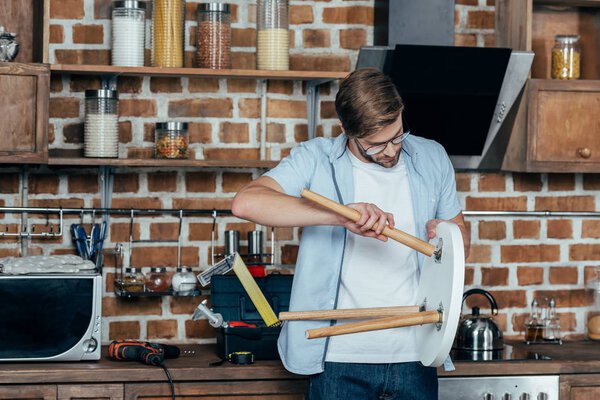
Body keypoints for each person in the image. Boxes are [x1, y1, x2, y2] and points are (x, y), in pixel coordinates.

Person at [231, 68, 470, 400]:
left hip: (417, 354)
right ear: (346, 130)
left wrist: (445, 235)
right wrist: (338, 215)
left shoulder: (432, 156)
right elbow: (246, 203)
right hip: (337, 360)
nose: (390, 150)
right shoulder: (315, 157)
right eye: (375, 144)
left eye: (397, 135)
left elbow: (460, 238)